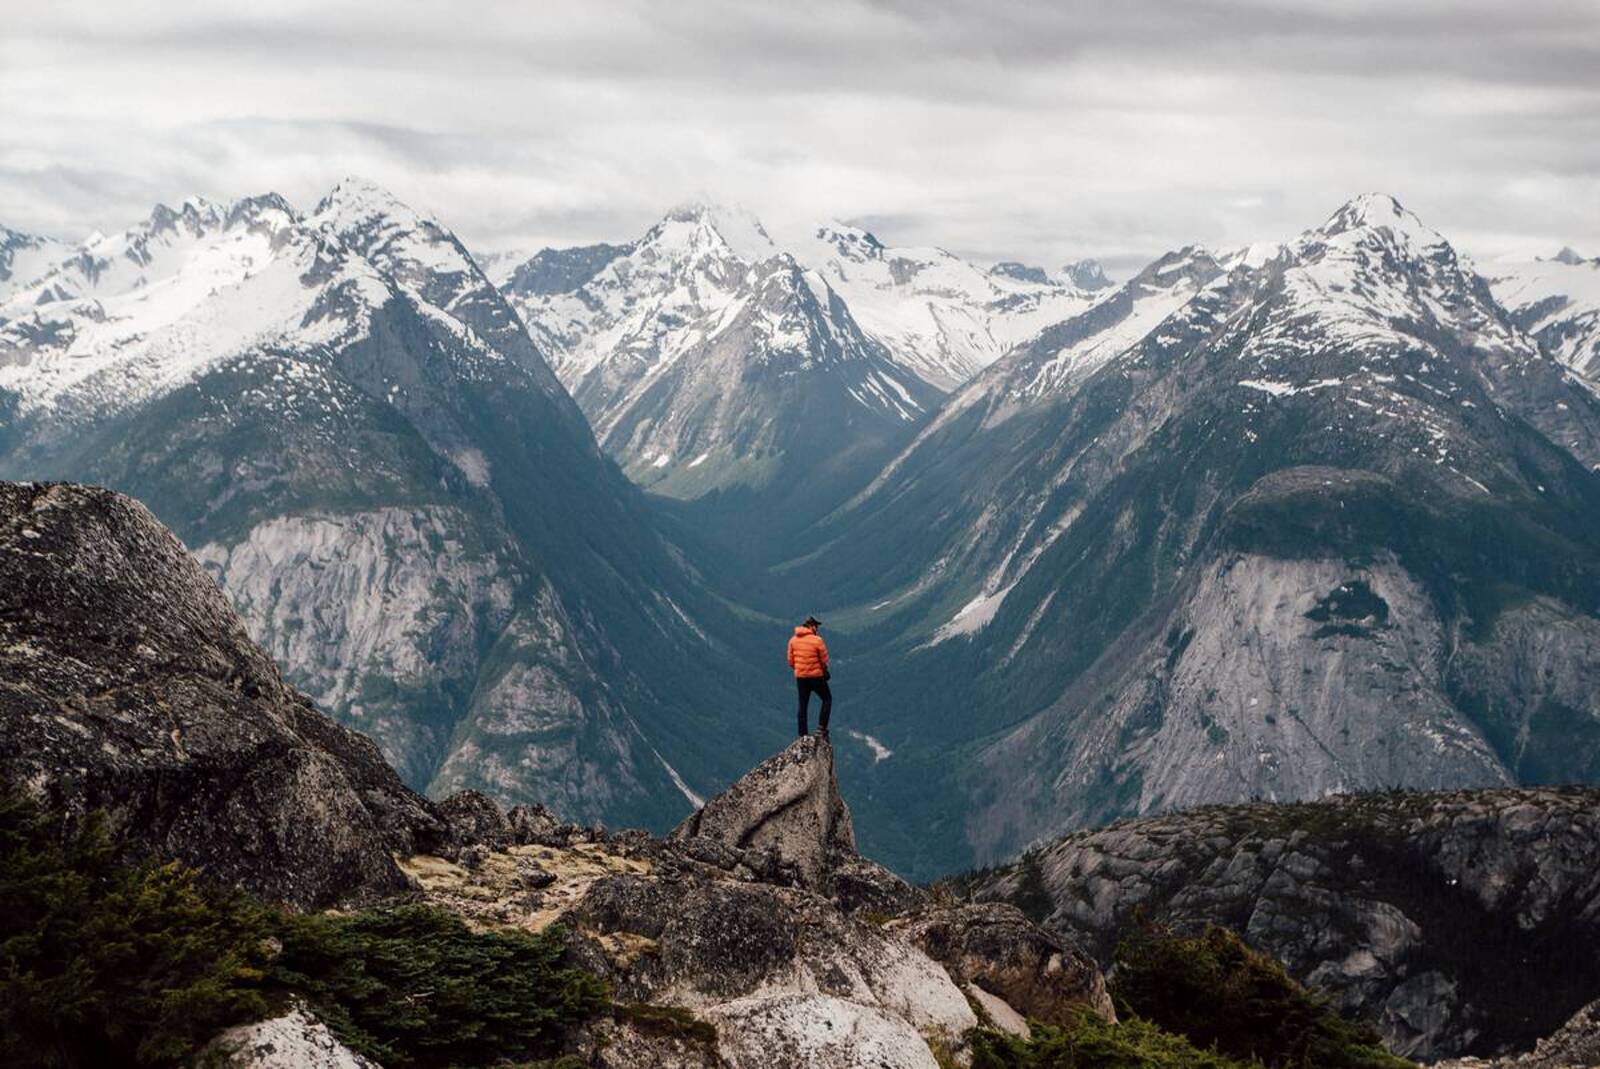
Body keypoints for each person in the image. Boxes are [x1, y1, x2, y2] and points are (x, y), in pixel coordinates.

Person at [787, 615, 831, 737]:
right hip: (816, 676)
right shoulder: (817, 640)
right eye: (816, 627)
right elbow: (824, 660)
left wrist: (801, 669)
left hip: (801, 677)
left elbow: (790, 661)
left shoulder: (793, 640)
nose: (817, 629)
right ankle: (821, 728)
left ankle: (802, 734)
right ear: (812, 626)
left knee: (803, 705)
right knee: (827, 699)